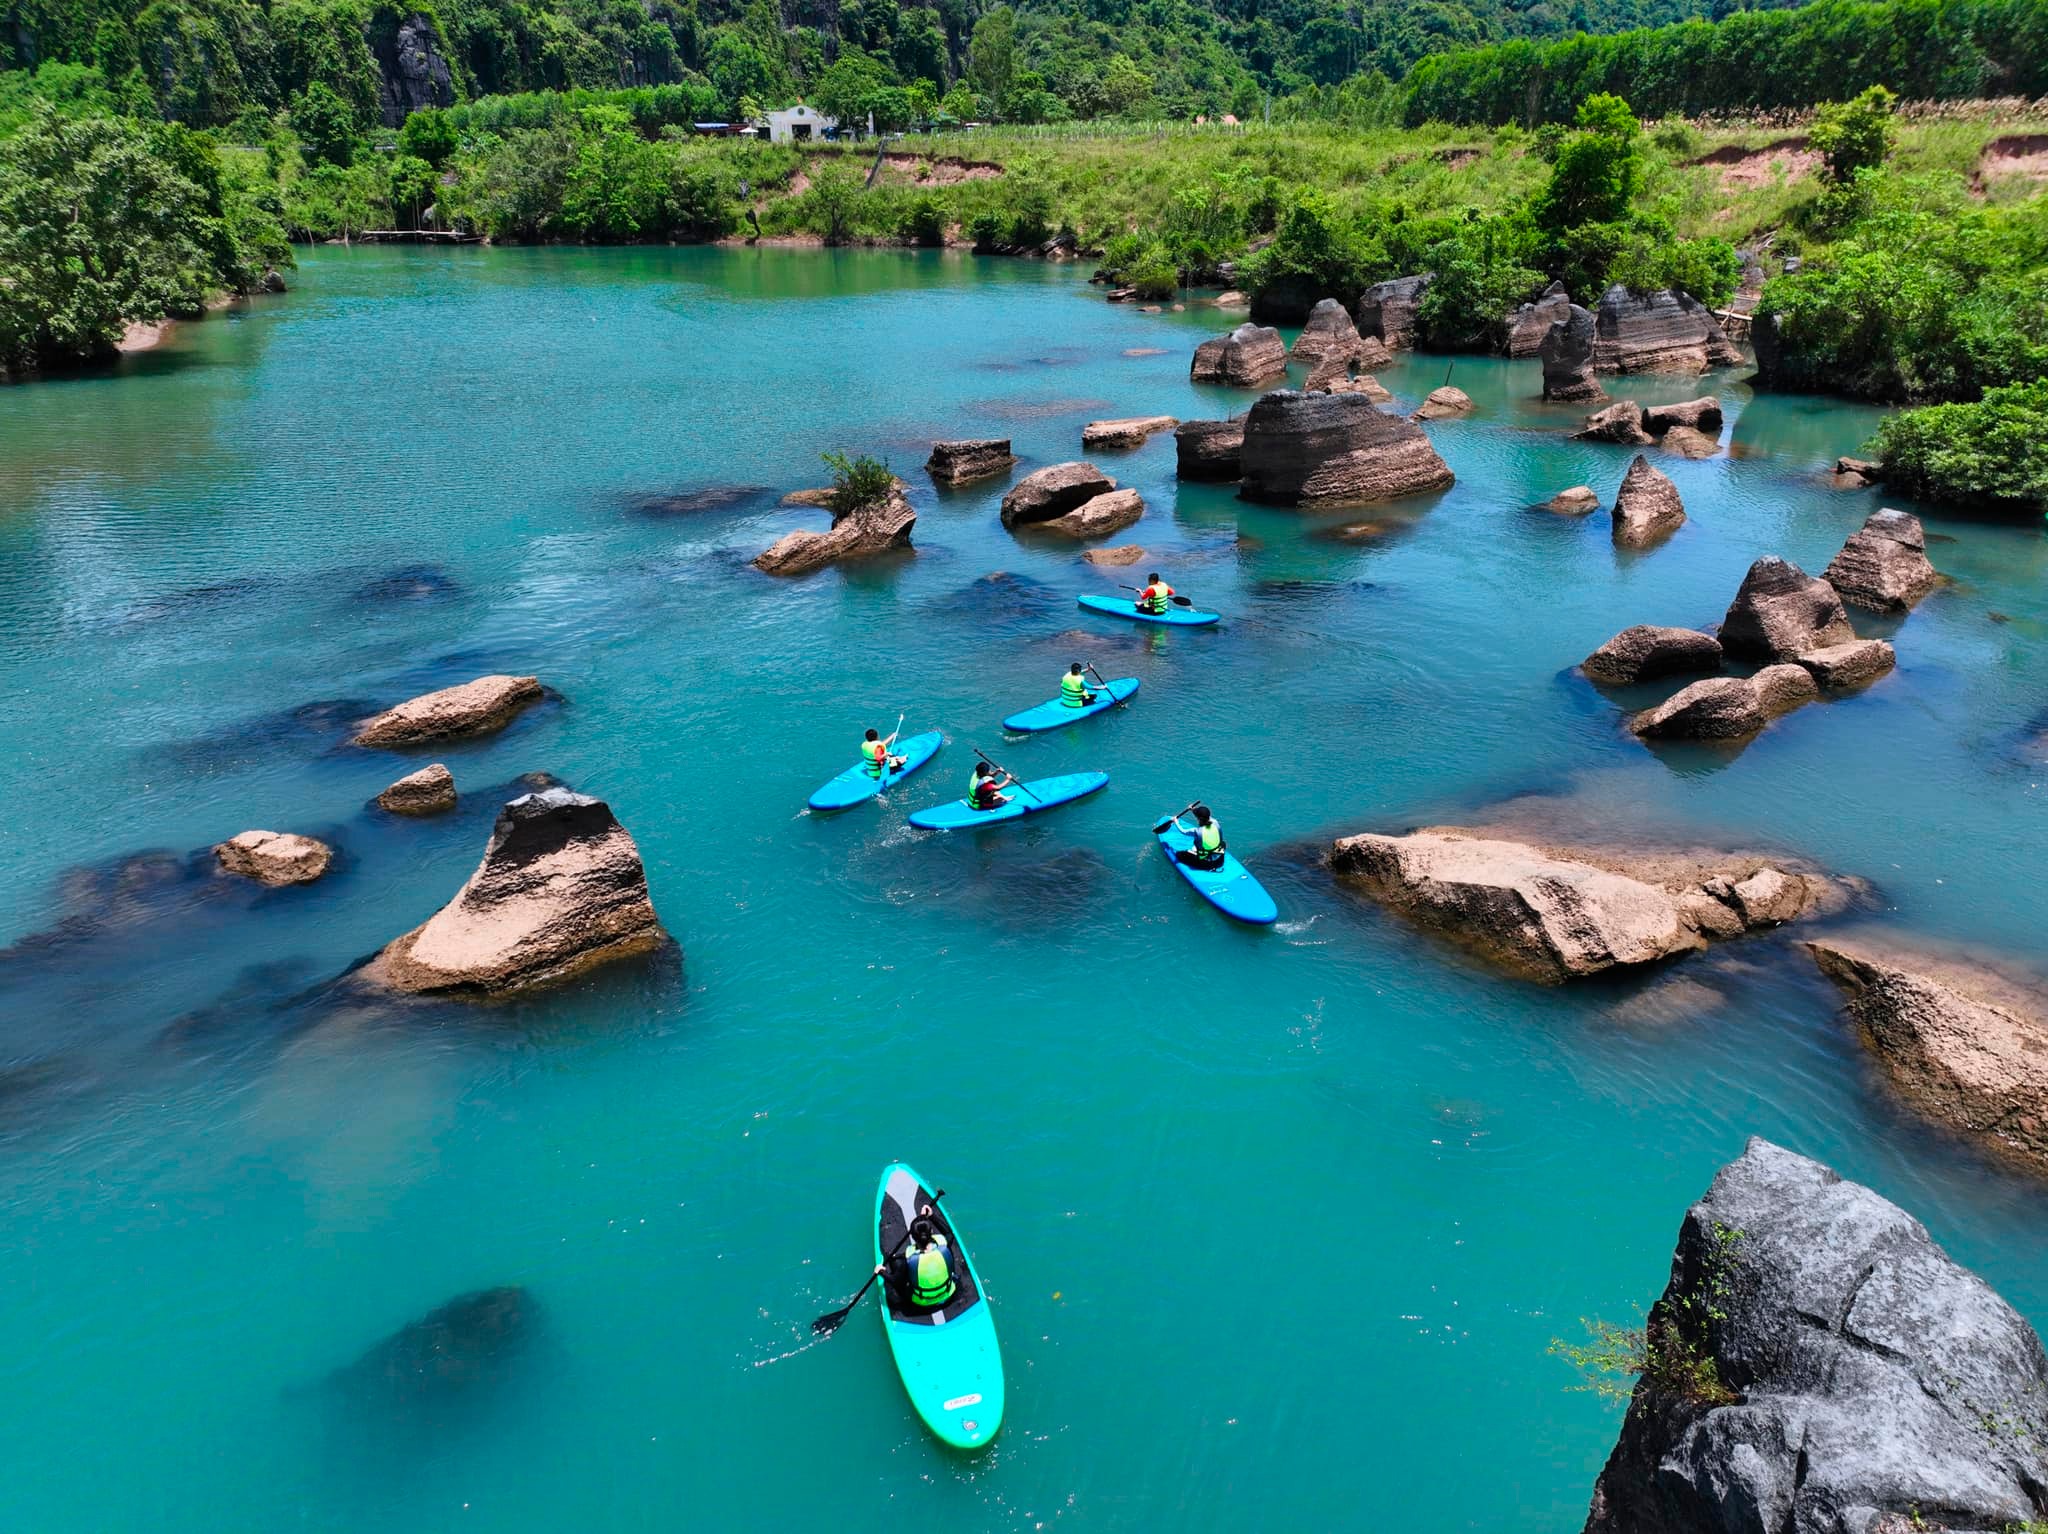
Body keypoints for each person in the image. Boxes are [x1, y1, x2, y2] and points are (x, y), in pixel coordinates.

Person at [876, 1207, 958, 1312]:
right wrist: (931, 1216)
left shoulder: (910, 1259)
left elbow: (895, 1281)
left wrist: (881, 1271)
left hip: (921, 1303)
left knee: (897, 1265)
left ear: (913, 1238)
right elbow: (949, 1233)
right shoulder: (944, 1243)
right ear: (932, 1232)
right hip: (949, 1293)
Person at [1167, 803, 1226, 869]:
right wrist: (1192, 809)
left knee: (1179, 855)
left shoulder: (1197, 831)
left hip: (1207, 864)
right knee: (1222, 843)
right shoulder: (1215, 823)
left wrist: (1176, 822)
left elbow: (1183, 831)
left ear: (1198, 818)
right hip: (1220, 860)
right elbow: (1204, 816)